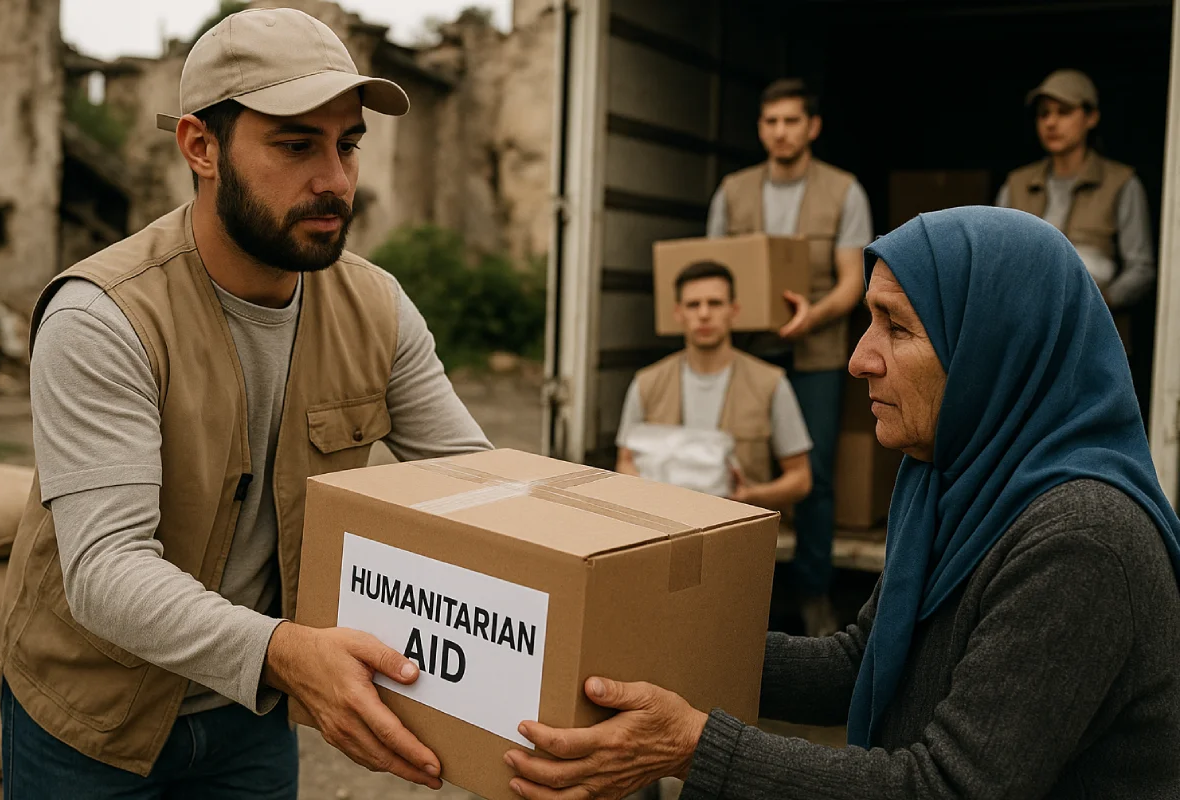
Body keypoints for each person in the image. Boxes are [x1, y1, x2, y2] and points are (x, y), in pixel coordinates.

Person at [501, 207, 1180, 799]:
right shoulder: (948, 479)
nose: (859, 358)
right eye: (867, 321)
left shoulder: (1082, 541)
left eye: (897, 327)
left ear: (992, 351)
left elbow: (953, 786)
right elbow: (862, 661)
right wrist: (645, 648)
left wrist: (692, 746)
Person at [0, 9, 491, 798]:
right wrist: (290, 654)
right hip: (91, 720)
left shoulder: (378, 307)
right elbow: (104, 568)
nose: (335, 178)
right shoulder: (104, 315)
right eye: (297, 145)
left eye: (349, 143)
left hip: (247, 716)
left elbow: (479, 488)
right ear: (201, 147)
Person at [707, 78, 873, 637]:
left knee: (815, 476)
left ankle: (813, 594)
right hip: (748, 352)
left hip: (816, 351)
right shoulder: (732, 191)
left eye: (791, 121)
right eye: (771, 121)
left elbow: (854, 283)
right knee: (732, 467)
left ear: (812, 127)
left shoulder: (845, 191)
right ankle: (733, 596)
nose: (780, 131)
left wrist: (814, 315)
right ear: (761, 128)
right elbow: (710, 274)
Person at [615, 261, 812, 511]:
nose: (704, 314)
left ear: (734, 310)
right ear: (678, 313)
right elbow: (624, 463)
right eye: (693, 305)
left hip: (737, 531)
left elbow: (800, 479)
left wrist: (751, 496)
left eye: (715, 303)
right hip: (663, 528)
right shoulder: (646, 383)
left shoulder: (771, 384)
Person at [997, 69, 1155, 318]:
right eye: (1043, 114)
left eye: (1064, 112)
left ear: (1091, 117)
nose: (1051, 123)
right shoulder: (1017, 184)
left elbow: (1141, 269)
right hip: (1023, 322)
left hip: (1090, 324)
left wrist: (1102, 302)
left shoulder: (1120, 182)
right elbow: (996, 260)